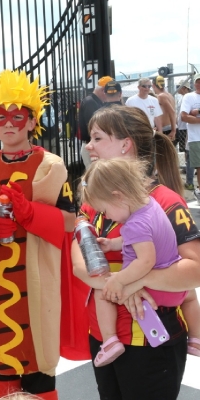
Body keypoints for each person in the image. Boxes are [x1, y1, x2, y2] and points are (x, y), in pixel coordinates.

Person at [72, 105, 200, 400]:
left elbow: (194, 271)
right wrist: (119, 284)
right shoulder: (94, 199)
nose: (89, 146)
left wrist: (134, 280)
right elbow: (78, 263)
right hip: (105, 337)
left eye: (97, 138)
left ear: (125, 144)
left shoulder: (165, 201)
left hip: (152, 339)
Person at [0, 69, 76, 400]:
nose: (8, 124)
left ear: (32, 121)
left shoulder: (52, 167)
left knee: (40, 366)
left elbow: (70, 221)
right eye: (0, 117)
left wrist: (31, 214)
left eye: (17, 116)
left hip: (40, 281)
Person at [79, 158, 187, 367]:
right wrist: (112, 244)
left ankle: (110, 341)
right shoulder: (149, 205)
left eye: (105, 211)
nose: (107, 216)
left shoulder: (134, 224)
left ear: (118, 196)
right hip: (173, 287)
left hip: (156, 290)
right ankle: (195, 338)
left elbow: (146, 261)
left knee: (103, 288)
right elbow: (139, 239)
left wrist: (119, 281)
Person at [78, 76, 111, 167]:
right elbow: (94, 128)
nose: (109, 96)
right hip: (92, 147)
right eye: (109, 92)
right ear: (103, 90)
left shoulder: (94, 101)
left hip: (93, 146)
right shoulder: (90, 102)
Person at [180, 73, 200, 201]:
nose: (199, 84)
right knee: (199, 166)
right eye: (197, 81)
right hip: (196, 138)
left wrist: (197, 112)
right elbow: (184, 116)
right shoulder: (189, 97)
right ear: (194, 83)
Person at [152, 75, 177, 141]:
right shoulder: (169, 95)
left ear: (153, 85)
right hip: (170, 128)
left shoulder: (161, 96)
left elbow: (172, 112)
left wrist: (173, 130)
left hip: (167, 130)